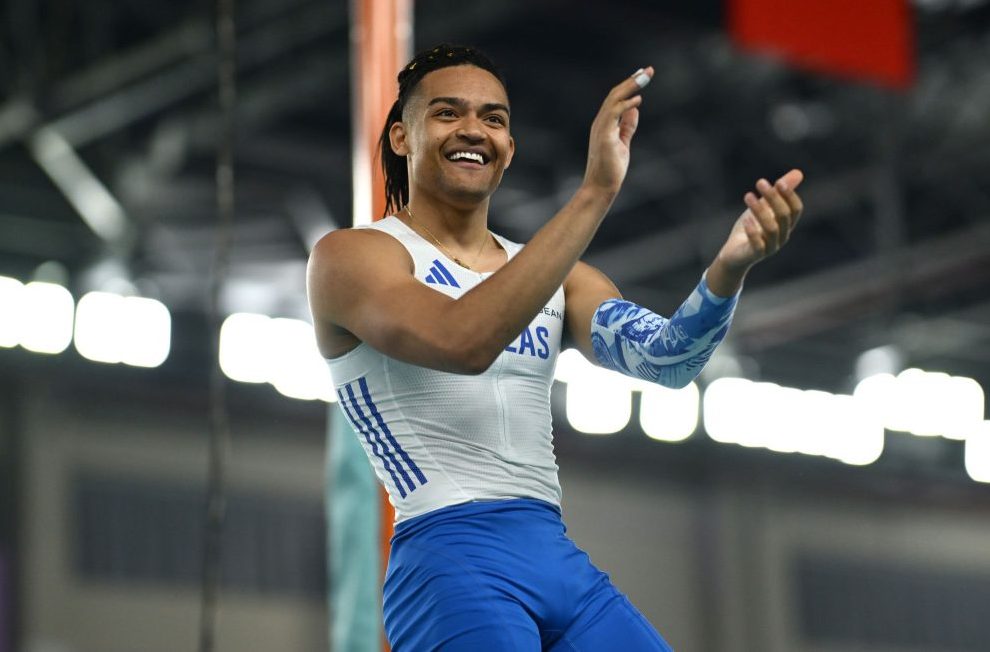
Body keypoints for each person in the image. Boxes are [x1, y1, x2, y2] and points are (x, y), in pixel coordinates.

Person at [307, 44, 803, 651]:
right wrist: (595, 191)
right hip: (449, 559)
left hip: (555, 558)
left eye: (493, 118)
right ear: (401, 137)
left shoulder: (556, 278)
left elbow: (669, 360)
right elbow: (463, 341)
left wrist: (728, 270)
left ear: (509, 149)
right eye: (447, 112)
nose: (473, 130)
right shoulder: (351, 257)